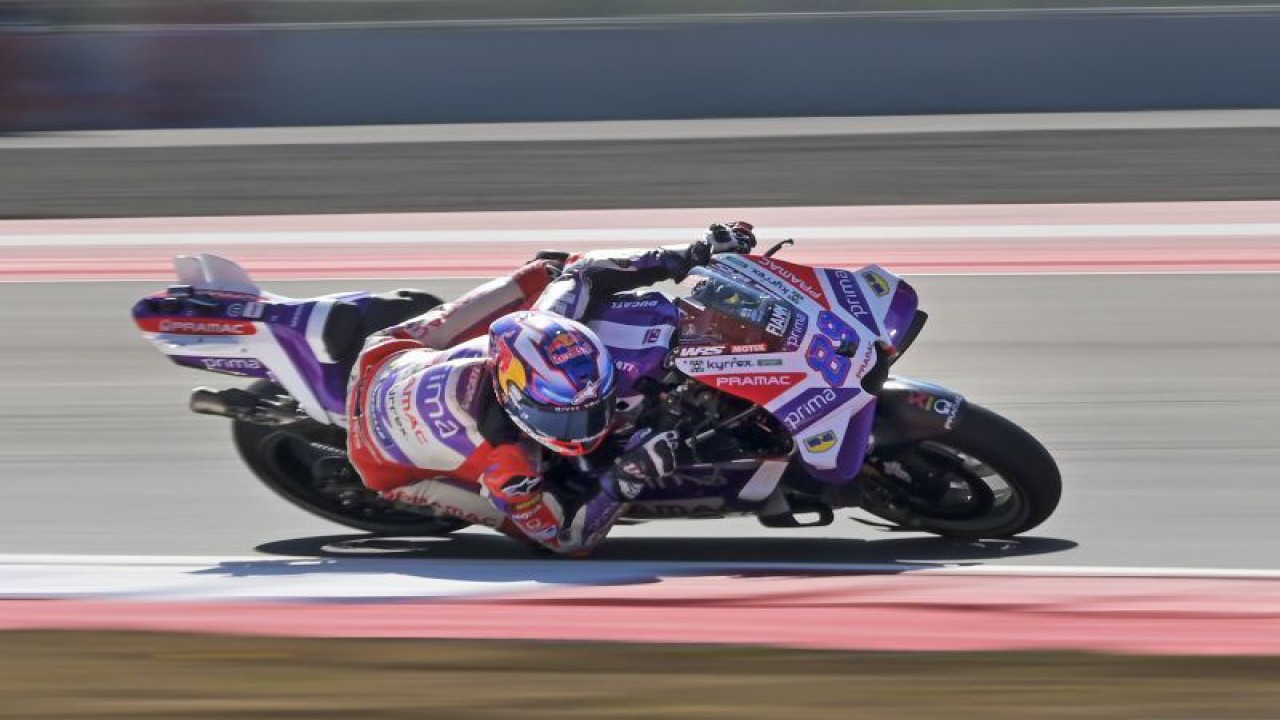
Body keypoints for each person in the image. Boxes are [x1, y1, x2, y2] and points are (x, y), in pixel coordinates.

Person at [345, 222, 758, 555]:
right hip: (379, 450)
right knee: (526, 523)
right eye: (568, 416)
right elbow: (565, 539)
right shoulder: (507, 469)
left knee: (546, 273)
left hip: (391, 358)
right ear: (519, 405)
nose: (590, 424)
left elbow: (587, 270)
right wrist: (625, 476)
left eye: (594, 405)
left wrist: (695, 252)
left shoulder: (550, 318)